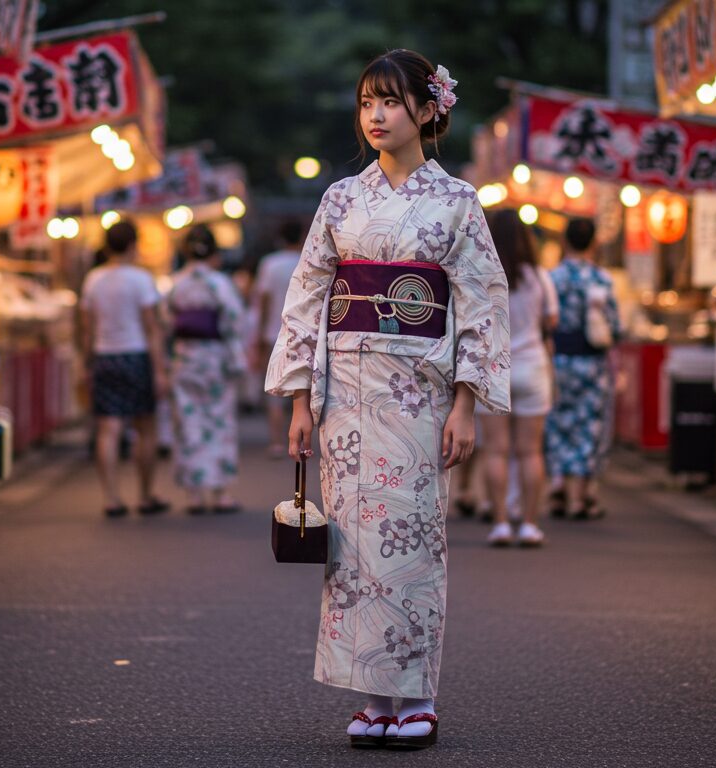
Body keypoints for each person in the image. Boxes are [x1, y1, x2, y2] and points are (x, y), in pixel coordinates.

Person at [266, 50, 509, 751]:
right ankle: (374, 696)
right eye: (367, 101)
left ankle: (418, 695)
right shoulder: (341, 199)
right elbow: (309, 297)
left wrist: (466, 401)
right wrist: (300, 401)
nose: (375, 115)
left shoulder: (458, 202)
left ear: (430, 111)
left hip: (419, 389)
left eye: (393, 102)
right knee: (352, 549)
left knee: (411, 539)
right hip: (345, 390)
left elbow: (481, 303)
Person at [79, 219, 170, 518]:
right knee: (145, 427)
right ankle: (144, 496)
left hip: (105, 356)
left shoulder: (93, 280)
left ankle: (111, 497)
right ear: (133, 245)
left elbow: (87, 329)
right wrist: (159, 370)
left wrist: (86, 363)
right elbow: (152, 328)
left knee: (108, 428)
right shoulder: (141, 279)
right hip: (136, 356)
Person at [479, 209, 558, 547]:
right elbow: (551, 321)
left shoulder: (483, 275)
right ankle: (529, 524)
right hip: (532, 366)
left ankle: (499, 523)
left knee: (496, 450)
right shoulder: (539, 276)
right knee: (530, 452)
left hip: (494, 367)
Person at [546, 218, 621, 521]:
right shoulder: (602, 279)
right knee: (588, 424)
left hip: (558, 360)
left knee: (559, 421)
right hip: (592, 362)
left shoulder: (552, 277)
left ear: (564, 241)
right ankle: (580, 496)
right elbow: (615, 327)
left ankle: (560, 484)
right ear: (594, 243)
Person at [166, 225, 246, 514]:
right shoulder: (219, 283)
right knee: (220, 422)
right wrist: (236, 357)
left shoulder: (175, 283)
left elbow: (166, 323)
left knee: (188, 422)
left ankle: (194, 494)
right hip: (214, 357)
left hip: (185, 357)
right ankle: (221, 492)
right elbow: (234, 320)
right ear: (213, 251)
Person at [252, 221, 307, 458]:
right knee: (303, 388)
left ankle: (276, 442)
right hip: (304, 333)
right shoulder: (306, 261)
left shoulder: (269, 264)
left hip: (273, 332)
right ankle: (303, 441)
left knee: (274, 391)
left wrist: (258, 334)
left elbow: (262, 301)